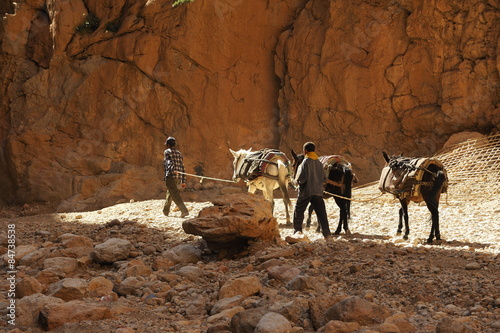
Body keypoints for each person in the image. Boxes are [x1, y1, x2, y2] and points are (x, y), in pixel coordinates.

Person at [293, 142, 332, 240]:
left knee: (299, 210)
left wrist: (297, 182)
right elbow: (323, 177)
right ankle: (327, 234)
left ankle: (298, 231)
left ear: (305, 151)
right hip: (318, 191)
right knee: (321, 213)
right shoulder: (318, 162)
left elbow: (302, 178)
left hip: (306, 191)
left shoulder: (305, 161)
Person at [163, 136, 189, 218]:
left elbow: (168, 162)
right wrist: (183, 180)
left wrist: (171, 169)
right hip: (178, 177)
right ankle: (165, 211)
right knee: (170, 192)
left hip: (170, 176)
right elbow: (182, 167)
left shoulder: (167, 152)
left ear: (167, 145)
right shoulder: (179, 153)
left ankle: (184, 210)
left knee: (174, 193)